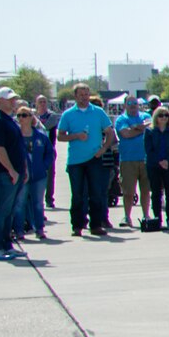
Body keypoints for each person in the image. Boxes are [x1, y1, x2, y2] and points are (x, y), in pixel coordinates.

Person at [56, 85, 114, 237]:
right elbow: (60, 136)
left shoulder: (98, 112)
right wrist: (75, 136)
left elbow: (109, 132)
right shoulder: (68, 115)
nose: (84, 97)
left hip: (94, 159)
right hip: (75, 161)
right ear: (75, 96)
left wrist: (104, 148)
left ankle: (96, 224)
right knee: (78, 194)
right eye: (81, 94)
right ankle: (77, 225)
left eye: (87, 94)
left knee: (96, 193)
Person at [0, 89, 27, 260]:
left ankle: (6, 245)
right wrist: (11, 170)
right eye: (9, 99)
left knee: (8, 211)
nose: (13, 102)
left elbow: (19, 147)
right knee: (1, 210)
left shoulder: (9, 120)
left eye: (14, 99)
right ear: (0, 101)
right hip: (4, 173)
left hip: (15, 173)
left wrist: (22, 170)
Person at [14, 108, 52, 242]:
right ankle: (19, 231)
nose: (21, 118)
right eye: (19, 115)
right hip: (21, 176)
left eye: (24, 115)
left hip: (39, 175)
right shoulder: (15, 137)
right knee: (20, 203)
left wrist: (44, 166)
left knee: (38, 203)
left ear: (31, 117)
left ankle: (39, 229)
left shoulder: (40, 136)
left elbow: (50, 153)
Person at [113, 94, 148, 227]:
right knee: (128, 191)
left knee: (145, 190)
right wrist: (141, 129)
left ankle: (146, 215)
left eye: (135, 103)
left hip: (145, 158)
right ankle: (127, 217)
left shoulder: (145, 116)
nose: (133, 106)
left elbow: (149, 125)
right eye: (130, 104)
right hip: (128, 159)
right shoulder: (121, 119)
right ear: (124, 105)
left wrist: (135, 128)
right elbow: (125, 134)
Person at [143, 107, 169, 231]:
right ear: (156, 117)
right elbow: (149, 149)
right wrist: (159, 161)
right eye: (160, 115)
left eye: (166, 115)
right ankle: (157, 218)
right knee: (156, 192)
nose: (164, 117)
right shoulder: (149, 131)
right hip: (154, 165)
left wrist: (168, 161)